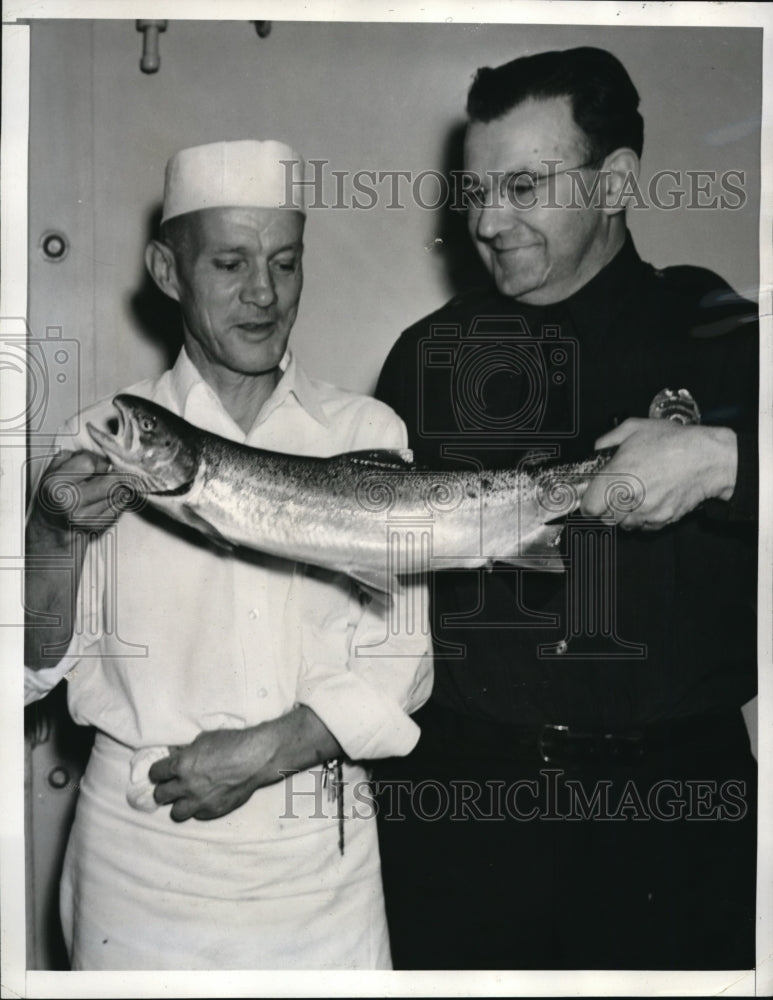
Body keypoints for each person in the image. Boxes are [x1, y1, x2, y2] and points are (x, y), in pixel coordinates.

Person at [374, 47, 758, 971]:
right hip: (465, 808)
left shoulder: (722, 334)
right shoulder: (426, 356)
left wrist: (722, 455)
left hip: (674, 813)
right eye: (475, 191)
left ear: (615, 180)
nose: (486, 221)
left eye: (522, 186)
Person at [24, 139, 432, 970]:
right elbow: (32, 666)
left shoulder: (365, 436)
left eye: (285, 262)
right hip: (140, 856)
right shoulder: (102, 440)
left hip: (318, 860)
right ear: (166, 271)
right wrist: (52, 534)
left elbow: (404, 663)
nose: (264, 293)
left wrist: (263, 753)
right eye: (230, 263)